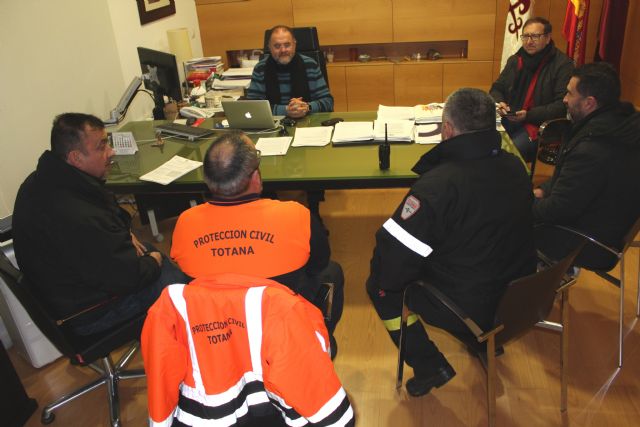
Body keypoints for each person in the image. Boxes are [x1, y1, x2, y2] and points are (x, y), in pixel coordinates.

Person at [366, 88, 536, 397]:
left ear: (446, 129)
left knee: (380, 284)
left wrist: (392, 278)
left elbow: (393, 262)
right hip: (520, 294)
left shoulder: (437, 186)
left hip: (471, 302)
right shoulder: (516, 166)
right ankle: (483, 342)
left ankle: (430, 366)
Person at [12, 113, 188, 335]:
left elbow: (104, 210)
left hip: (68, 290)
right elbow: (128, 277)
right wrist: (154, 262)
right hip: (88, 312)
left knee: (149, 252)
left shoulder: (47, 181)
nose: (111, 152)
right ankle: (188, 346)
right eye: (102, 147)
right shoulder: (76, 216)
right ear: (76, 157)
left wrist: (124, 231)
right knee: (180, 286)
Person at [170, 131, 344, 345]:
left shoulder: (185, 222)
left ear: (208, 180)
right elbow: (320, 263)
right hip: (280, 328)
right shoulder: (296, 214)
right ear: (255, 177)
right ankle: (318, 343)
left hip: (216, 333)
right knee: (332, 271)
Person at [141, 273, 355, 426]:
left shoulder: (170, 303)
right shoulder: (283, 309)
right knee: (330, 272)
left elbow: (161, 373)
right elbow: (333, 415)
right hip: (274, 407)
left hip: (200, 416)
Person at [533, 62, 640, 270]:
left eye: (569, 93)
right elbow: (571, 183)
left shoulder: (593, 147)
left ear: (589, 103)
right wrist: (542, 190)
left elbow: (558, 210)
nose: (564, 99)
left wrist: (523, 205)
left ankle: (534, 290)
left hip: (588, 241)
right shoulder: (620, 125)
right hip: (605, 228)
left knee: (508, 223)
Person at [490, 17, 574, 162]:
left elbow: (562, 106)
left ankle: (514, 182)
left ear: (547, 38)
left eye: (535, 36)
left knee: (508, 154)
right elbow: (496, 88)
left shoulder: (562, 65)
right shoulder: (516, 60)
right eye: (525, 36)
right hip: (510, 118)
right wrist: (500, 102)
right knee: (485, 144)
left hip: (539, 126)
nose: (529, 41)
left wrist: (528, 115)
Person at [246, 24, 333, 118]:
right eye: (277, 46)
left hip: (308, 123)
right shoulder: (260, 69)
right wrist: (286, 110)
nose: (283, 50)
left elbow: (328, 102)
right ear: (269, 47)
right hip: (274, 125)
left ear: (294, 44)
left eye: (287, 45)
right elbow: (253, 107)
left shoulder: (310, 65)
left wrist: (307, 107)